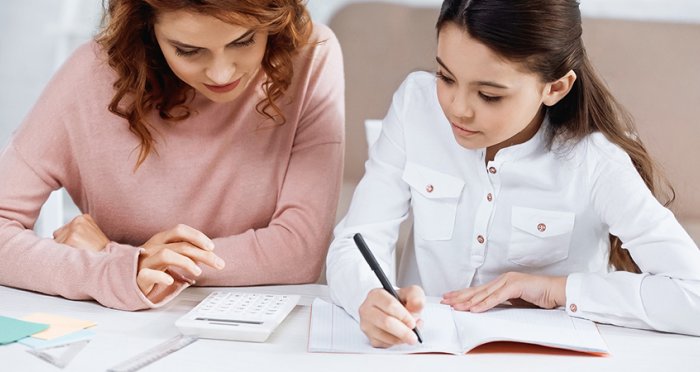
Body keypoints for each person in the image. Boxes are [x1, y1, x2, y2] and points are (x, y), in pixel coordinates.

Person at [326, 0, 700, 348]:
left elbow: (693, 295)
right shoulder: (415, 105)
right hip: (421, 353)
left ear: (555, 87)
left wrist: (559, 291)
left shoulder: (595, 160)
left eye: (489, 95)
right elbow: (357, 239)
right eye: (446, 76)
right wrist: (368, 297)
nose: (458, 109)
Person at [0, 0, 344, 311]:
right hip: (121, 327)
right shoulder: (90, 75)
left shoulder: (309, 57)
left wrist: (119, 258)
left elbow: (299, 252)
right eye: (189, 50)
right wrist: (114, 272)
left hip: (263, 328)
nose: (221, 73)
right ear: (147, 30)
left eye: (243, 41)